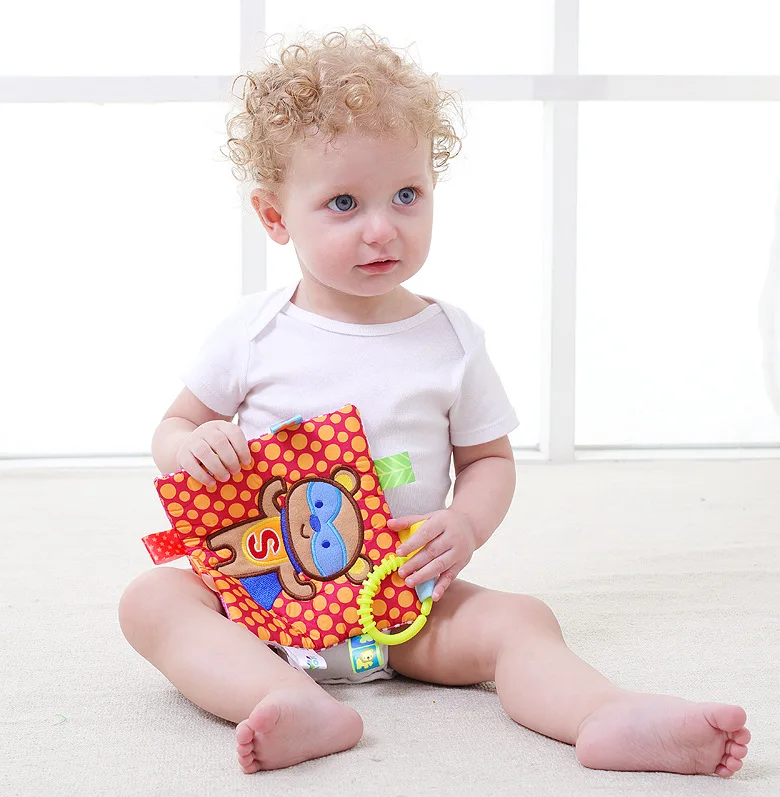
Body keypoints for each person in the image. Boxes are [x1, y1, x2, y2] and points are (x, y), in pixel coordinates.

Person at [118, 27, 750, 777]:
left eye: (406, 195)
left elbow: (488, 461)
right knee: (152, 600)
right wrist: (190, 445)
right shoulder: (252, 333)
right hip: (264, 602)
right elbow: (176, 425)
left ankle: (604, 714)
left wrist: (466, 522)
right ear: (275, 217)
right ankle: (284, 696)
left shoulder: (450, 340)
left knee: (520, 619)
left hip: (404, 602)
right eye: (344, 203)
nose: (382, 228)